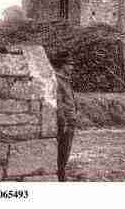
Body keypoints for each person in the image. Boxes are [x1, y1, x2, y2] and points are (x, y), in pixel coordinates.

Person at [51, 51, 77, 182]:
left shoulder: (65, 79)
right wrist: (64, 122)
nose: (72, 67)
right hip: (65, 122)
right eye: (70, 64)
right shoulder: (57, 80)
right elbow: (59, 103)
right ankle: (60, 175)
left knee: (66, 149)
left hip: (70, 120)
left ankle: (61, 172)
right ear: (62, 65)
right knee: (63, 150)